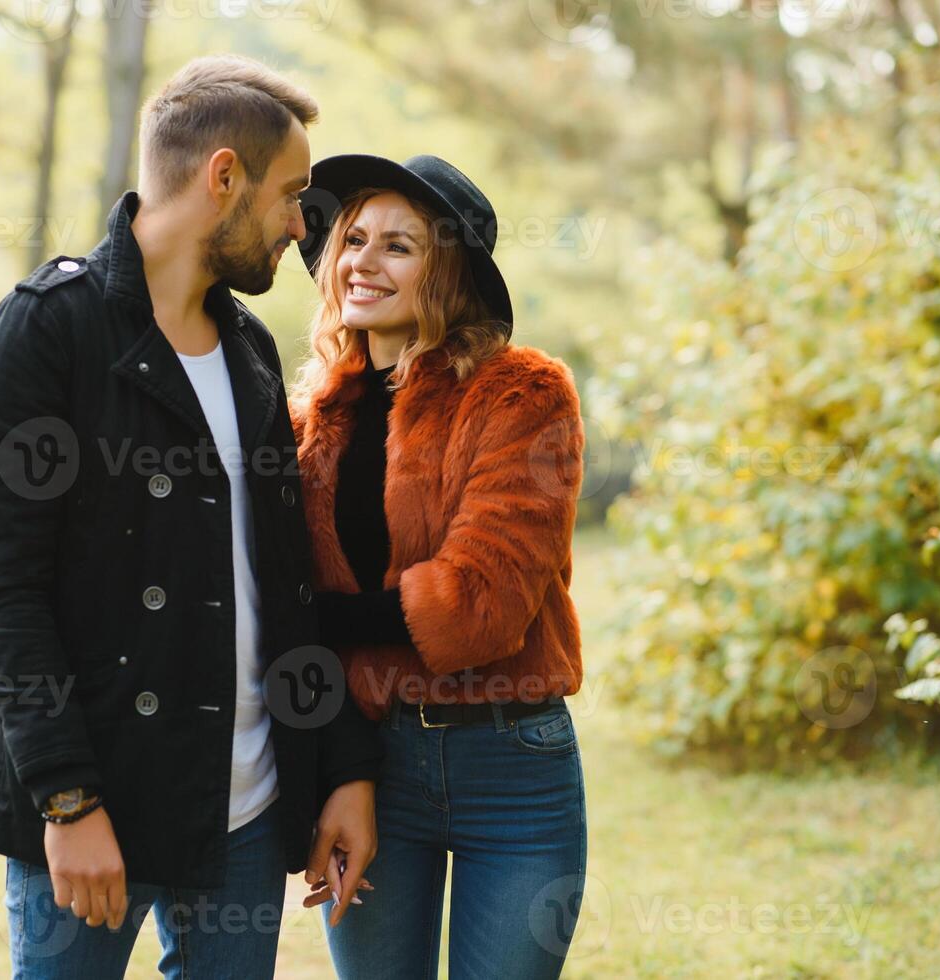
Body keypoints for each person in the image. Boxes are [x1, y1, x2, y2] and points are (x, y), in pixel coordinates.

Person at [0, 55, 380, 979]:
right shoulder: (48, 331)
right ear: (222, 176)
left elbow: (290, 586)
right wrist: (68, 802)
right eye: (292, 195)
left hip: (245, 813)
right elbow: (5, 594)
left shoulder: (253, 353)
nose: (303, 226)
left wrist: (341, 769)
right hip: (99, 805)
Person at [288, 153, 589, 979]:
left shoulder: (523, 395)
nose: (363, 262)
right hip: (369, 766)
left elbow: (481, 604)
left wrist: (307, 617)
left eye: (399, 246)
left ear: (448, 271)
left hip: (512, 767)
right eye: (354, 239)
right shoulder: (310, 416)